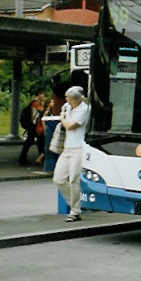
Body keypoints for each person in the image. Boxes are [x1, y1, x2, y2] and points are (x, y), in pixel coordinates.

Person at [53, 86, 89, 222]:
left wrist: (62, 118)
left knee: (74, 179)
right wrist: (64, 116)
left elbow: (70, 126)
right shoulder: (68, 106)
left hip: (79, 148)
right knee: (58, 178)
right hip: (67, 148)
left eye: (68, 98)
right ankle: (76, 204)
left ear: (76, 99)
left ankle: (75, 211)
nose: (66, 100)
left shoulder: (84, 109)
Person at [19, 90, 51, 166]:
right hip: (33, 126)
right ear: (39, 95)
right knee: (32, 141)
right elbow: (42, 111)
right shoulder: (35, 103)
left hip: (34, 125)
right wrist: (48, 107)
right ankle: (23, 158)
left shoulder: (36, 102)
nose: (44, 96)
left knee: (39, 141)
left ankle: (39, 158)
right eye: (43, 94)